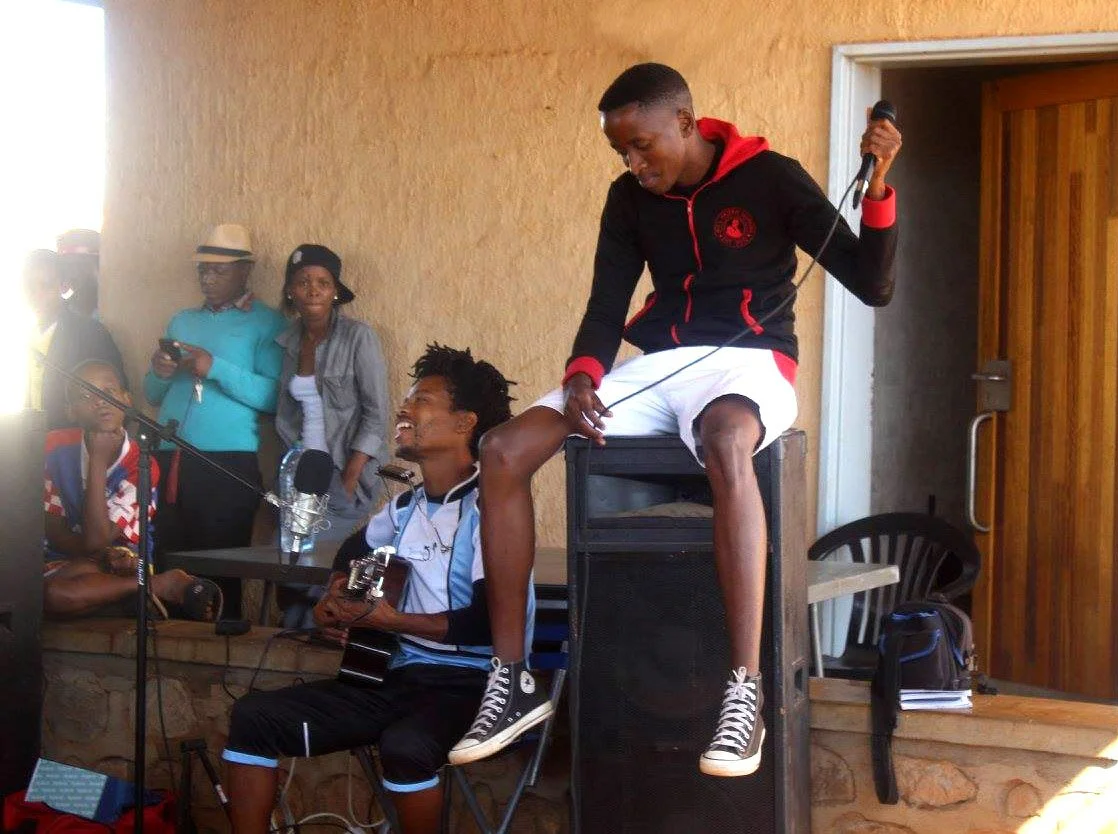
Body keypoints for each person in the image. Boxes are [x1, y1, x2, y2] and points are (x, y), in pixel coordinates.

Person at [450, 63, 901, 777]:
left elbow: (871, 283)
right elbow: (605, 304)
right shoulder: (627, 200)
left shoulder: (771, 178)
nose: (632, 163)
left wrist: (876, 189)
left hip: (750, 365)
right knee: (503, 450)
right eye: (619, 153)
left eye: (641, 145)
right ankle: (512, 681)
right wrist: (580, 377)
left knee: (726, 440)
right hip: (661, 366)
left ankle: (742, 692)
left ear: (684, 122)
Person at [222, 344, 524, 834]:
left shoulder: (492, 510)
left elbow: (490, 622)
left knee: (405, 746)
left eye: (422, 401)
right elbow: (350, 552)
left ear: (465, 422)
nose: (404, 410)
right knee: (253, 718)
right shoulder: (403, 509)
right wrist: (335, 598)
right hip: (392, 677)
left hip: (468, 686)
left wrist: (393, 621)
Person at [144, 224, 285, 618]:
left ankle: (219, 661)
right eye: (202, 269)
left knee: (218, 571)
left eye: (218, 270)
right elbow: (153, 395)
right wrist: (160, 371)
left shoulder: (267, 323)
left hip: (226, 463)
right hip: (168, 457)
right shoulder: (182, 320)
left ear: (245, 270)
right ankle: (168, 666)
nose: (207, 278)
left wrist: (214, 367)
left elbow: (275, 397)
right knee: (168, 564)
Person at [43, 359, 220, 620]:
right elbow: (57, 532)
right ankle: (154, 588)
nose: (100, 400)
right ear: (70, 411)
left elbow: (97, 539)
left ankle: (131, 590)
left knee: (55, 596)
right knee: (48, 590)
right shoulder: (54, 447)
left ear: (126, 399)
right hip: (71, 559)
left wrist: (98, 462)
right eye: (85, 395)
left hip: (126, 565)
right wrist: (97, 556)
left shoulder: (142, 464)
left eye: (109, 391)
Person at [274, 243, 389, 626]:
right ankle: (291, 646)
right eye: (303, 282)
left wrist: (352, 474)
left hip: (342, 473)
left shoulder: (359, 337)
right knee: (292, 570)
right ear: (291, 290)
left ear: (336, 290)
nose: (313, 290)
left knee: (320, 567)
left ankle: (315, 644)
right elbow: (287, 412)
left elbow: (376, 413)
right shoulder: (288, 343)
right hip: (301, 476)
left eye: (323, 282)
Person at [23, 249, 127, 429]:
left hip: (75, 443)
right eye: (29, 286)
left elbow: (115, 396)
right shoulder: (30, 333)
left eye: (45, 285)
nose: (36, 294)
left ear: (64, 286)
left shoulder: (89, 333)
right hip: (35, 439)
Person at [56, 228, 101, 319]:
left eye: (80, 264)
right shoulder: (61, 315)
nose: (73, 273)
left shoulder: (120, 306)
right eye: (67, 266)